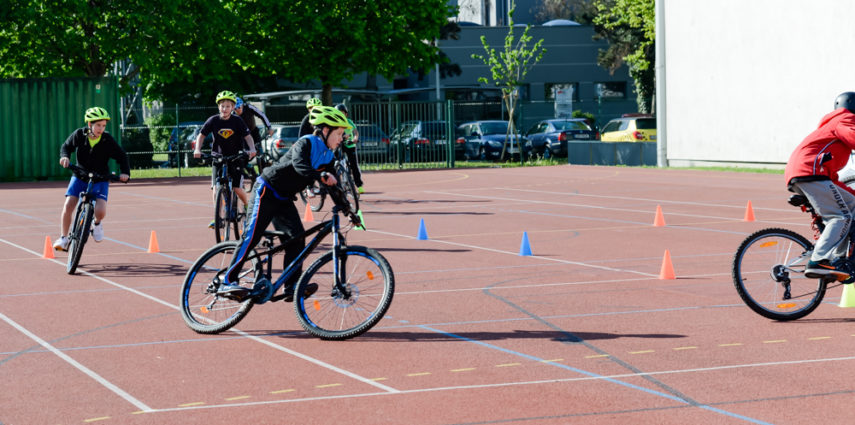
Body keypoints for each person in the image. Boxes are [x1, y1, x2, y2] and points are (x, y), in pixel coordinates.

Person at [217, 105, 352, 300]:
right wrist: (320, 175)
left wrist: (349, 210)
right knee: (251, 236)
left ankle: (291, 286)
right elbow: (300, 166)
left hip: (284, 199)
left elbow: (333, 186)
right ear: (325, 130)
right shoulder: (306, 143)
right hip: (266, 190)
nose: (341, 138)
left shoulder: (328, 156)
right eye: (339, 133)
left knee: (297, 238)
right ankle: (227, 282)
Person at [785, 91, 855, 279]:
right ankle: (819, 260)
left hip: (807, 172)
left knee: (851, 203)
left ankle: (839, 260)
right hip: (810, 172)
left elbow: (831, 179)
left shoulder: (831, 125)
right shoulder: (845, 119)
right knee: (841, 217)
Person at [53, 107, 130, 251]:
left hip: (100, 178)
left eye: (103, 125)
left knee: (100, 210)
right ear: (90, 124)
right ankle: (63, 238)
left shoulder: (107, 139)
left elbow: (121, 156)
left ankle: (97, 223)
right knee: (69, 204)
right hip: (80, 175)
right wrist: (64, 157)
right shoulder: (79, 135)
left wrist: (125, 173)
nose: (101, 128)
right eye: (98, 125)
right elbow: (66, 146)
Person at [193, 90, 256, 228]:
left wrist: (252, 149)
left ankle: (247, 206)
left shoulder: (237, 121)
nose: (225, 109)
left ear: (233, 107)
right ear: (218, 107)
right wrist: (197, 149)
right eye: (222, 106)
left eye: (228, 106)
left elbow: (248, 137)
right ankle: (218, 218)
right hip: (218, 158)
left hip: (235, 157)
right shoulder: (213, 120)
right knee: (216, 189)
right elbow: (201, 135)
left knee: (238, 189)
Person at [335, 103, 365, 193]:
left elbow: (356, 132)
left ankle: (359, 185)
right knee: (335, 163)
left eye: (342, 113)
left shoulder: (349, 122)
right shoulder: (335, 123)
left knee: (354, 165)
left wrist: (355, 138)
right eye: (338, 113)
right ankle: (337, 184)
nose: (341, 115)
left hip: (350, 144)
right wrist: (342, 137)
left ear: (346, 114)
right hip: (339, 144)